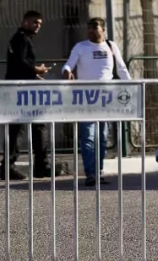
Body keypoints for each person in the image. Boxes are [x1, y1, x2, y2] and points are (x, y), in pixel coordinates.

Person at [61, 17, 133, 187]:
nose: (92, 31)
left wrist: (132, 86)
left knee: (101, 137)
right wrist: (66, 72)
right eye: (89, 28)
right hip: (86, 98)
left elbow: (122, 69)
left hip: (106, 99)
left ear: (103, 30)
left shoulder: (111, 46)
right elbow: (68, 65)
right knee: (88, 137)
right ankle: (90, 173)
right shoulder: (81, 47)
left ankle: (99, 172)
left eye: (95, 27)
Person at [3, 11, 52, 180]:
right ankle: (8, 166)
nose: (37, 25)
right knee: (18, 128)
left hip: (25, 88)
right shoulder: (22, 39)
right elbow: (20, 63)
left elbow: (20, 64)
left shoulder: (22, 38)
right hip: (20, 90)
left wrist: (34, 74)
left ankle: (41, 166)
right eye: (34, 22)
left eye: (39, 23)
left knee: (37, 126)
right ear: (25, 22)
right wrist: (35, 69)